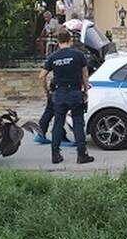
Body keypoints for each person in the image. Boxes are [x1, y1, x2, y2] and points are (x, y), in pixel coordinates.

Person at [38, 27, 92, 165]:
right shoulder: (78, 55)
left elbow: (41, 76)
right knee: (78, 122)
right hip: (75, 92)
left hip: (60, 93)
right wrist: (86, 90)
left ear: (58, 41)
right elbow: (85, 74)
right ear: (70, 40)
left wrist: (47, 92)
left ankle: (55, 155)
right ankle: (82, 155)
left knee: (58, 123)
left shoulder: (53, 57)